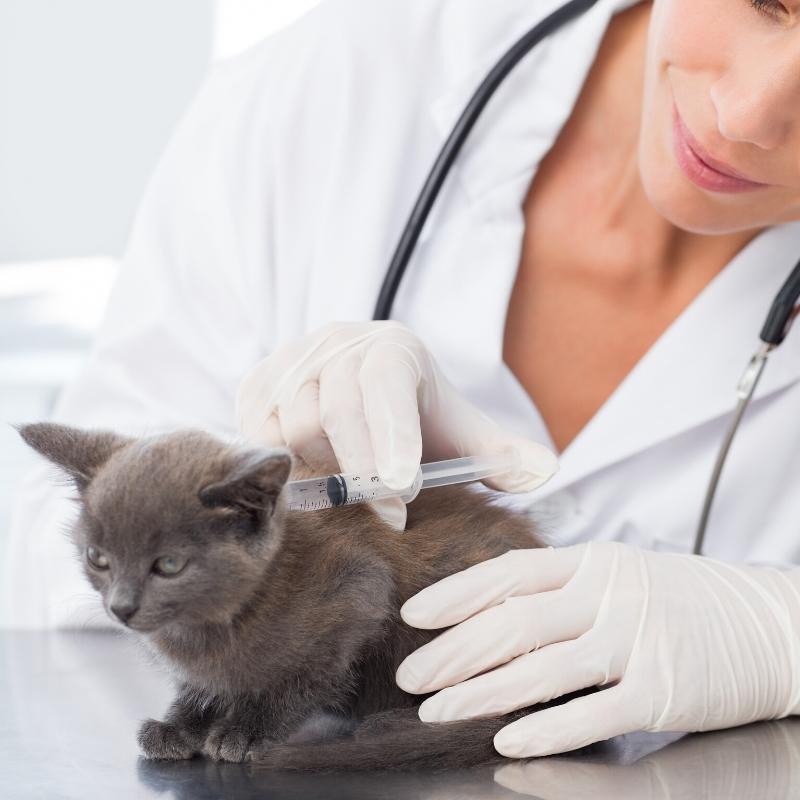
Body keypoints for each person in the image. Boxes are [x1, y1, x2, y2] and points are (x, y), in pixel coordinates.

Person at [6, 0, 800, 758]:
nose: (746, 114)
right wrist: (229, 490)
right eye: (766, 2)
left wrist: (782, 637)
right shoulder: (349, 75)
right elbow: (44, 581)